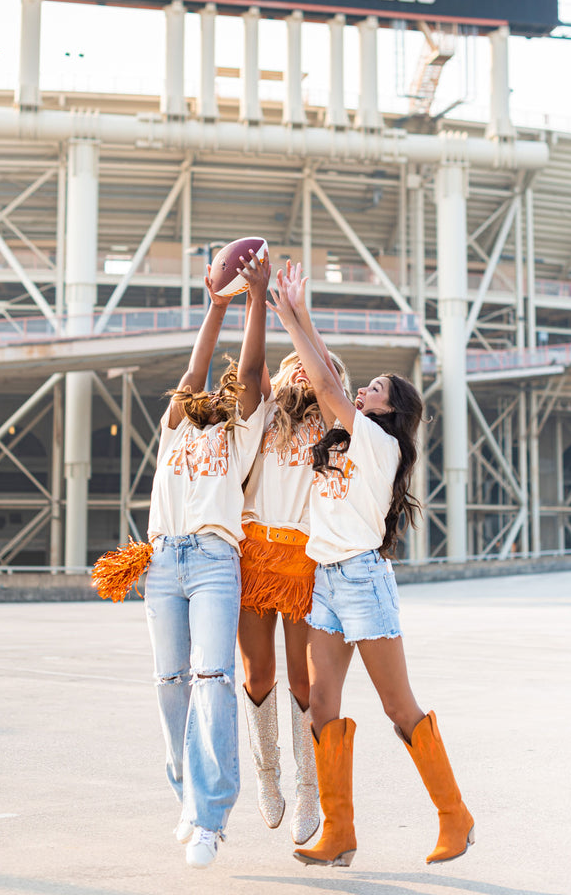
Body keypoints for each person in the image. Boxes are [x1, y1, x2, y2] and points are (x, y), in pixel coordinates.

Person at [268, 271, 474, 868]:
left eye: (377, 388)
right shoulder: (342, 438)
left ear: (392, 410)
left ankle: (454, 816)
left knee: (397, 705)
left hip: (361, 580)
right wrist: (300, 318)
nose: (364, 390)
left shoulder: (379, 446)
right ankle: (339, 832)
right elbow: (328, 380)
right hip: (325, 581)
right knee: (322, 704)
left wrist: (292, 316)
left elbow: (328, 384)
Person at [144, 250, 270, 869]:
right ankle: (186, 793)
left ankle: (209, 817)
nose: (217, 394)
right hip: (164, 559)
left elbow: (249, 373)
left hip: (217, 559)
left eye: (229, 394)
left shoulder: (240, 432)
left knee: (213, 680)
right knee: (171, 686)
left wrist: (253, 302)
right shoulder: (176, 426)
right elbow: (194, 372)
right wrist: (214, 306)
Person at [238, 266, 349, 846]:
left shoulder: (332, 427)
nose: (298, 368)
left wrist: (301, 318)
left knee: (307, 685)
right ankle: (267, 773)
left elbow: (328, 376)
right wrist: (259, 303)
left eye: (306, 362)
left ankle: (309, 787)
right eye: (292, 363)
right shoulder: (260, 415)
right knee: (258, 674)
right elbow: (253, 371)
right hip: (255, 554)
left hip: (309, 562)